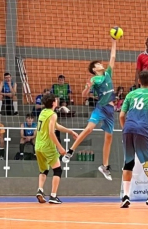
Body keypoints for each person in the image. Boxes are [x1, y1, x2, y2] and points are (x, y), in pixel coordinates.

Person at [62, 39, 117, 181]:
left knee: (109, 138)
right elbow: (83, 95)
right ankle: (70, 151)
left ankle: (104, 166)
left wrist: (114, 42)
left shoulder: (108, 73)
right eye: (98, 64)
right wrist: (87, 87)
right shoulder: (94, 79)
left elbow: (112, 57)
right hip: (100, 108)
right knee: (89, 129)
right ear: (94, 69)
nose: (101, 64)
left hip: (111, 110)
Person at [119, 70, 148, 208]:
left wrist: (125, 129)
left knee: (128, 163)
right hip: (143, 130)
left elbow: (122, 115)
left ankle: (126, 196)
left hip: (128, 129)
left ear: (139, 81)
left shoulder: (130, 94)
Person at [35, 94, 78, 204]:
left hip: (38, 146)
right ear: (53, 103)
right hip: (48, 146)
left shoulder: (43, 112)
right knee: (57, 170)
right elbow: (51, 132)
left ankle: (40, 190)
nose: (57, 100)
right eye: (56, 99)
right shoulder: (53, 114)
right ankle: (53, 196)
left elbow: (56, 126)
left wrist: (70, 131)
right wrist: (60, 148)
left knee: (44, 169)